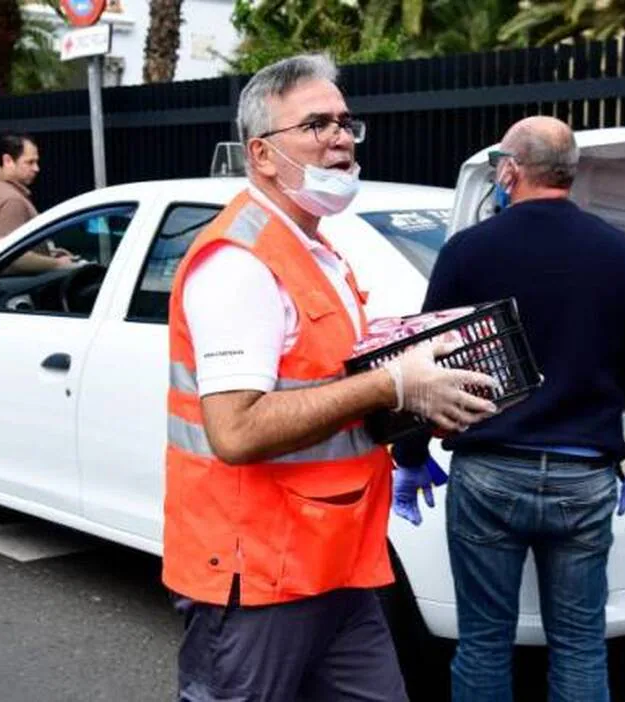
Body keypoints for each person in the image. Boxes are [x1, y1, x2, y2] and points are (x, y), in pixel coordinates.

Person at [162, 53, 500, 702]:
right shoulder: (241, 264)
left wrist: (421, 393)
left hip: (336, 563)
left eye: (346, 122)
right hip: (258, 572)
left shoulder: (320, 251)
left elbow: (327, 392)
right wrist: (388, 385)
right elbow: (234, 431)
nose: (341, 138)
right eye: (317, 124)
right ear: (261, 155)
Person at [391, 116, 625, 702]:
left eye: (500, 166)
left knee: (484, 643)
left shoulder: (469, 249)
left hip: (490, 471)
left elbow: (427, 360)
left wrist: (411, 455)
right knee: (579, 645)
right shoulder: (621, 253)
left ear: (511, 172)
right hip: (584, 479)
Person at [0, 132, 73, 271]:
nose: (36, 168)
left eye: (36, 162)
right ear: (7, 161)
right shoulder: (11, 199)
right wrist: (59, 264)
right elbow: (12, 256)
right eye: (30, 162)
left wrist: (50, 254)